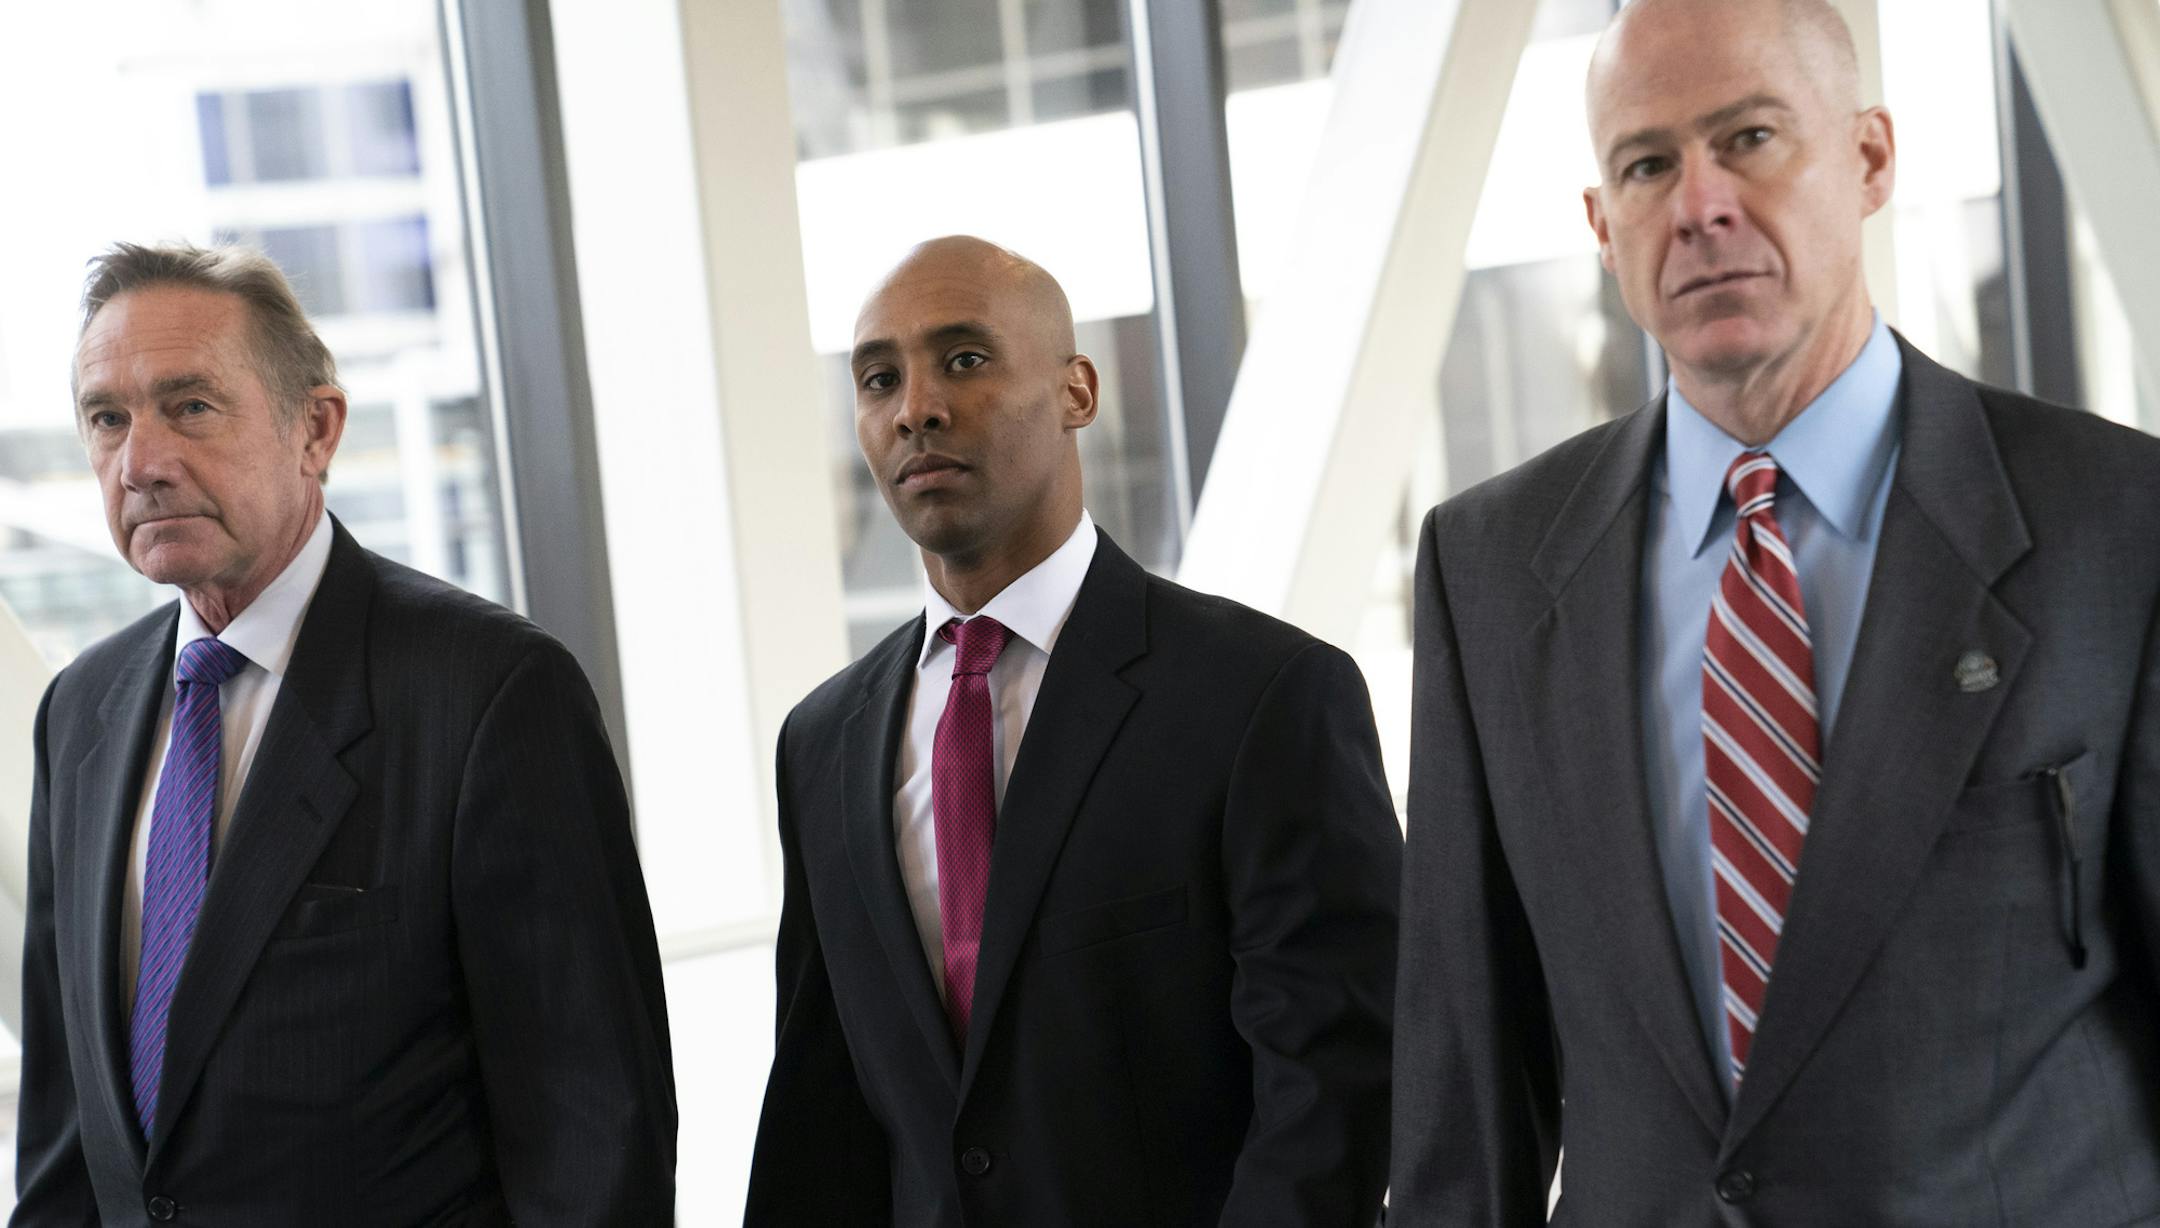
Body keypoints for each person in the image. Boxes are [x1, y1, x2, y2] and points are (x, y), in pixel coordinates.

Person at [1391, 0, 2160, 1222]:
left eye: (1748, 138)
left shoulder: (2121, 524)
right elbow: (1465, 1094)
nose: (1699, 205)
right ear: (1602, 224)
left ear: (1868, 159)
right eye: (1647, 165)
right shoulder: (1488, 568)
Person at [744, 235, 1399, 1227]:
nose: (917, 406)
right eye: (880, 378)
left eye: (963, 360)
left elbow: (1337, 1084)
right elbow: (820, 1112)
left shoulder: (1263, 696)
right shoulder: (822, 742)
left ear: (1078, 391)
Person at [15, 242, 676, 1224]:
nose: (140, 462)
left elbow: (593, 1130)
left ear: (315, 429)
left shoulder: (492, 692)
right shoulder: (82, 709)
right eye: (106, 419)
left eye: (190, 406)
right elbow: (68, 1133)